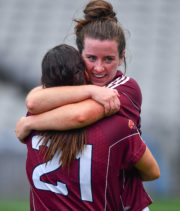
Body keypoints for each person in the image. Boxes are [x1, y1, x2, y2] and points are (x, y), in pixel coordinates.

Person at [15, 0, 159, 210]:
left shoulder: (126, 88)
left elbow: (81, 115)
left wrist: (30, 123)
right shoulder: (80, 86)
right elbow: (33, 100)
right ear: (79, 55)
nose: (99, 68)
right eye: (91, 58)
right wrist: (91, 90)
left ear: (121, 58)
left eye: (108, 59)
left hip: (125, 202)